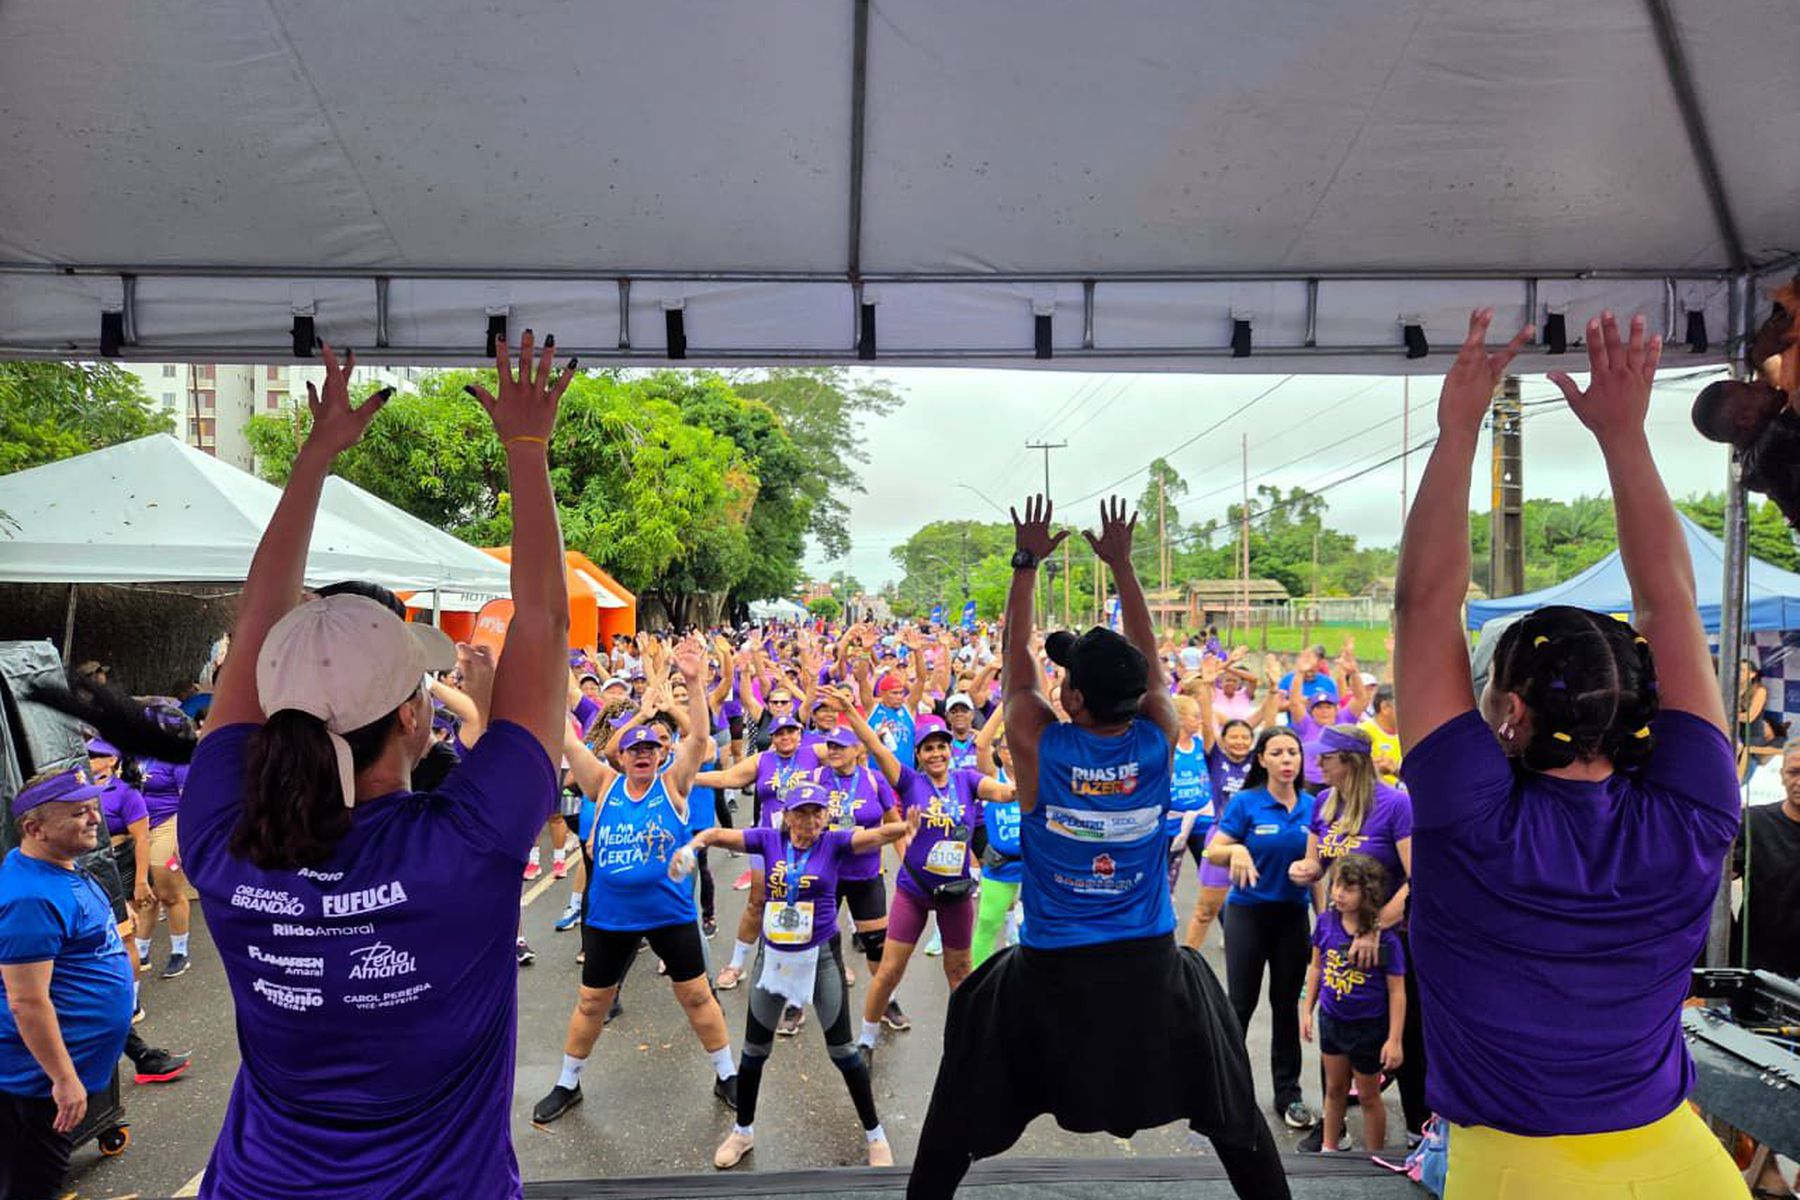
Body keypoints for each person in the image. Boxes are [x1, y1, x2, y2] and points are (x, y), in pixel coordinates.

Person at [178, 334, 575, 1198]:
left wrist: (317, 454)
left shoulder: (222, 840)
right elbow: (540, 622)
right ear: (410, 715)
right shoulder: (464, 845)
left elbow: (253, 622)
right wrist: (528, 446)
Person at [1396, 309, 1746, 1196]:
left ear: (1510, 713)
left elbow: (1422, 608)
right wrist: (1625, 437)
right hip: (1683, 1166)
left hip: (1522, 1173)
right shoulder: (1697, 809)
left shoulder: (1471, 812)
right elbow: (1671, 603)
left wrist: (1457, 430)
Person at [906, 496, 1288, 1200]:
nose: (1055, 681)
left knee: (962, 1070)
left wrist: (1026, 564)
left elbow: (1016, 664)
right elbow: (1148, 670)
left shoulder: (1038, 745)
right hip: (1147, 964)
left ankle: (928, 1191)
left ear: (1073, 701)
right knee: (1235, 1109)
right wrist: (1122, 565)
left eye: (1066, 678)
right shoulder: (1156, 736)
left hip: (1052, 968)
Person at [532, 645, 741, 1127]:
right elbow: (569, 742)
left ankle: (726, 1074)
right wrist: (549, 691)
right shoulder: (603, 784)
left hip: (670, 914)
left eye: (651, 748)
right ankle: (567, 1082)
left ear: (662, 754)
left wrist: (691, 682)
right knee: (592, 1001)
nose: (643, 754)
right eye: (635, 749)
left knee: (695, 996)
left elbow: (700, 738)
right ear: (622, 754)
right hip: (609, 917)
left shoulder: (674, 786)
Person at [686, 781, 916, 1170]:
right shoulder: (767, 840)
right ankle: (743, 1131)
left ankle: (875, 1135)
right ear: (787, 815)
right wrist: (696, 844)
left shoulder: (835, 843)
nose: (809, 820)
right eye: (802, 812)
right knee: (754, 1051)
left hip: (821, 957)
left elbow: (873, 835)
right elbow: (719, 834)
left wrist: (903, 828)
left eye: (817, 812)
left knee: (843, 1051)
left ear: (826, 816)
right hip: (773, 959)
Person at [835, 696, 1014, 1060]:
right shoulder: (909, 781)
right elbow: (872, 744)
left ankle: (964, 1044)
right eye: (929, 748)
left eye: (942, 747)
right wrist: (851, 710)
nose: (936, 754)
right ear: (918, 754)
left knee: (959, 970)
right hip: (914, 891)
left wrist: (1030, 781)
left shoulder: (967, 780)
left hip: (956, 894)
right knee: (890, 969)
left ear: (950, 750)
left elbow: (1004, 792)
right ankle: (866, 1040)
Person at [0, 768, 136, 1200]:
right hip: (38, 1084)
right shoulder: (29, 897)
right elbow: (26, 1000)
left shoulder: (61, 870)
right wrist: (62, 1079)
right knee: (31, 1185)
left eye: (92, 807)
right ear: (34, 828)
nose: (94, 817)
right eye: (78, 812)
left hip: (61, 1075)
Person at [1286, 723, 1423, 1142]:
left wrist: (1376, 926)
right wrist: (1304, 870)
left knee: (1404, 1032)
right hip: (1339, 934)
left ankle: (1419, 1128)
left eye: (1326, 757)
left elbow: (1419, 878)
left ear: (1350, 761)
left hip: (1390, 937)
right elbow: (1318, 865)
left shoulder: (1395, 805)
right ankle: (1335, 1128)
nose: (1318, 763)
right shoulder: (1324, 801)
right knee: (1339, 1024)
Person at [1205, 725, 1318, 1131]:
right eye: (1278, 753)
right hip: (1248, 915)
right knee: (1240, 1006)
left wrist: (1323, 926)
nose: (1288, 760)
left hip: (1292, 918)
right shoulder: (1246, 804)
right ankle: (1227, 1096)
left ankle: (1289, 1096)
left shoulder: (1313, 806)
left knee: (1286, 1008)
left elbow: (1319, 871)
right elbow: (1212, 849)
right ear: (1262, 760)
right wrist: (1235, 849)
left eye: (1293, 752)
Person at [692, 715, 821, 990]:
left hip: (808, 842)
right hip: (769, 841)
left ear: (800, 734)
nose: (785, 737)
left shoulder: (814, 754)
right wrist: (688, 777)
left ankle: (824, 966)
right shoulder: (762, 760)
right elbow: (727, 777)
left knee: (815, 901)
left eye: (791, 732)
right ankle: (737, 964)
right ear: (771, 737)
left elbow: (848, 751)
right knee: (757, 901)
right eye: (779, 733)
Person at [1299, 854, 1405, 1153]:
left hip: (1369, 1027)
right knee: (1334, 1090)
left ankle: (1374, 1158)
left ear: (1367, 892)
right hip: (1332, 1021)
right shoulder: (1325, 923)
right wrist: (1306, 1010)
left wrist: (1394, 1040)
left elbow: (1397, 992)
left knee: (1370, 1097)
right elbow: (1317, 967)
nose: (1338, 894)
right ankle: (1329, 1149)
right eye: (1336, 886)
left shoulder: (1386, 940)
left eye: (1349, 888)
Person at [810, 726, 901, 998]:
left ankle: (888, 1001)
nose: (833, 751)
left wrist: (907, 861)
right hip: (826, 875)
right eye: (831, 746)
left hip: (866, 875)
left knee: (876, 944)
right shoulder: (816, 778)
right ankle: (796, 1003)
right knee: (813, 941)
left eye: (840, 746)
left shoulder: (874, 780)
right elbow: (800, 825)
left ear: (858, 749)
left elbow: (894, 824)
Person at [1733, 738, 1800, 979]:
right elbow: (1713, 878)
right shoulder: (1753, 824)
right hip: (1759, 975)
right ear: (1781, 775)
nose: (1799, 781)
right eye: (1794, 772)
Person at [969, 707, 1024, 968]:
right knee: (987, 924)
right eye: (1006, 746)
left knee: (1040, 925)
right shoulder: (992, 777)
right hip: (1001, 864)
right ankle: (977, 983)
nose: (1012, 750)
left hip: (1035, 866)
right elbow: (981, 744)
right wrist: (1006, 704)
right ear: (1000, 752)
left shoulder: (1037, 775)